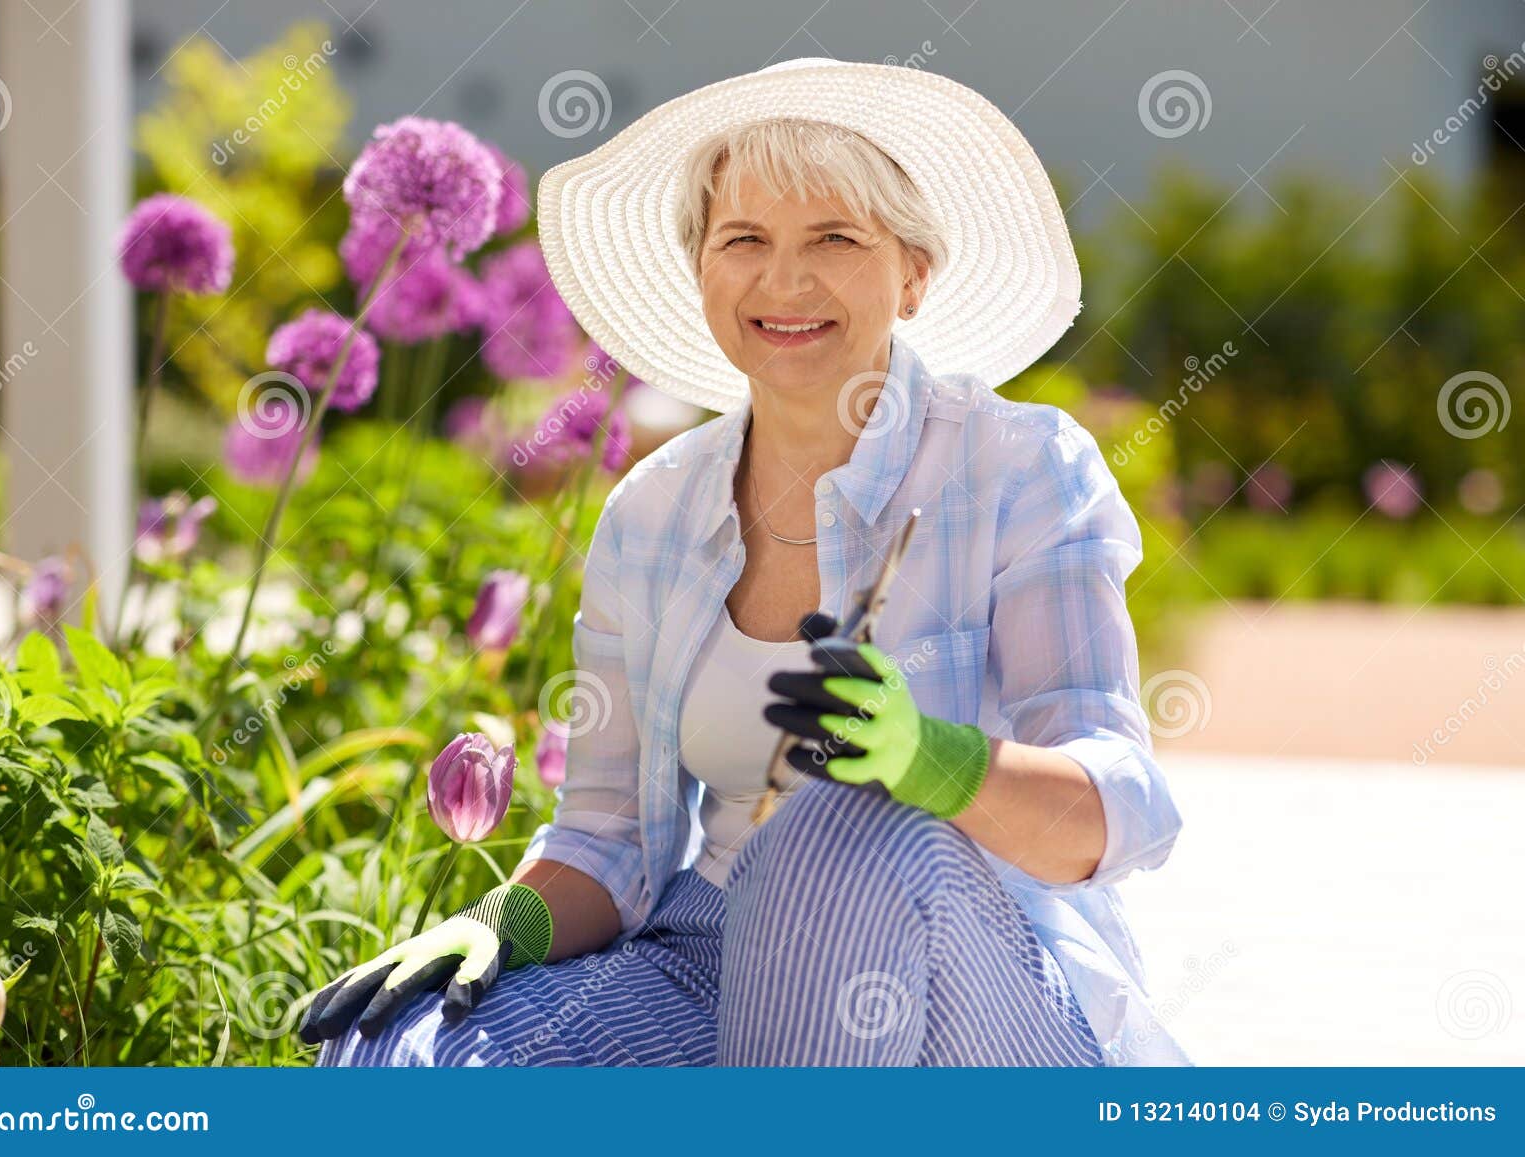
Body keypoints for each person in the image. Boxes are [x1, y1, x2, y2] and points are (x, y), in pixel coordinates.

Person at [306, 56, 1189, 1067]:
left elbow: (1125, 812)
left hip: (986, 997)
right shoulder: (652, 509)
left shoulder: (1020, 465)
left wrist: (928, 759)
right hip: (713, 961)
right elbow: (608, 839)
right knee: (411, 1051)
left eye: (833, 237)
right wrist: (502, 922)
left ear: (912, 272)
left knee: (829, 837)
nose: (783, 280)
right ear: (701, 270)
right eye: (744, 240)